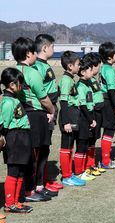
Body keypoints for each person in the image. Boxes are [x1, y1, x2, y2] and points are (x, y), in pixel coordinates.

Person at [13, 37, 56, 202]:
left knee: (33, 154)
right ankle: (31, 190)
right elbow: (43, 97)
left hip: (23, 114)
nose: (34, 55)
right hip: (36, 115)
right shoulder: (32, 72)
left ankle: (35, 187)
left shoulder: (14, 70)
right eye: (32, 52)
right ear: (28, 53)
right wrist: (52, 110)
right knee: (37, 154)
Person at [33, 34, 64, 193]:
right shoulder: (37, 66)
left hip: (51, 109)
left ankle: (44, 180)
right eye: (52, 46)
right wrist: (47, 110)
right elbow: (38, 92)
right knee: (41, 149)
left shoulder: (45, 65)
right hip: (45, 111)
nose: (54, 49)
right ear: (45, 48)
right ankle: (39, 183)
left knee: (45, 147)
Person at [0, 68, 34, 214]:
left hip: (23, 138)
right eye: (21, 83)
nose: (22, 86)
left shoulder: (14, 99)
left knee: (21, 171)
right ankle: (9, 203)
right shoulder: (8, 102)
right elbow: (3, 125)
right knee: (13, 171)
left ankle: (16, 201)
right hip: (14, 138)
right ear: (12, 85)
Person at [58, 51, 87, 186]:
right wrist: (66, 122)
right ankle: (66, 176)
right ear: (70, 66)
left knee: (71, 147)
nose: (79, 66)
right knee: (66, 147)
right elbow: (63, 102)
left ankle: (70, 174)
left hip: (74, 114)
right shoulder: (65, 80)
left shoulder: (70, 79)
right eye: (77, 64)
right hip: (68, 115)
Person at [98, 42, 115, 169]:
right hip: (109, 103)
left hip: (110, 102)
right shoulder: (108, 70)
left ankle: (105, 160)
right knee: (109, 130)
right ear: (109, 57)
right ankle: (106, 161)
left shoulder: (107, 68)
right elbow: (111, 90)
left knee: (109, 130)